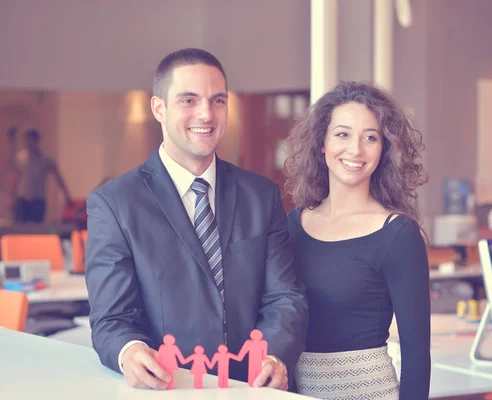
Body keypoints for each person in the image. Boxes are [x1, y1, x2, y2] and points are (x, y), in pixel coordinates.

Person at [85, 48, 308, 391]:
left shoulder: (261, 195)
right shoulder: (114, 203)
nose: (206, 114)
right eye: (188, 100)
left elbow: (284, 296)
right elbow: (113, 319)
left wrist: (275, 356)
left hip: (253, 389)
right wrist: (129, 352)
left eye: (218, 100)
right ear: (159, 108)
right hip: (169, 388)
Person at [284, 81, 431, 399]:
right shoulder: (292, 226)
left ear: (384, 149)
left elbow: (417, 353)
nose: (356, 150)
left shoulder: (398, 235)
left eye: (370, 137)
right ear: (322, 144)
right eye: (342, 134)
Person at [9, 129, 72, 223]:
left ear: (36, 141)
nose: (28, 144)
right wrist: (10, 197)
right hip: (22, 200)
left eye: (30, 141)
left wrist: (67, 195)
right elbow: (15, 178)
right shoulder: (20, 158)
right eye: (26, 141)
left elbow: (58, 178)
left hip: (38, 201)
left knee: (37, 229)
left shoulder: (46, 160)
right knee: (20, 229)